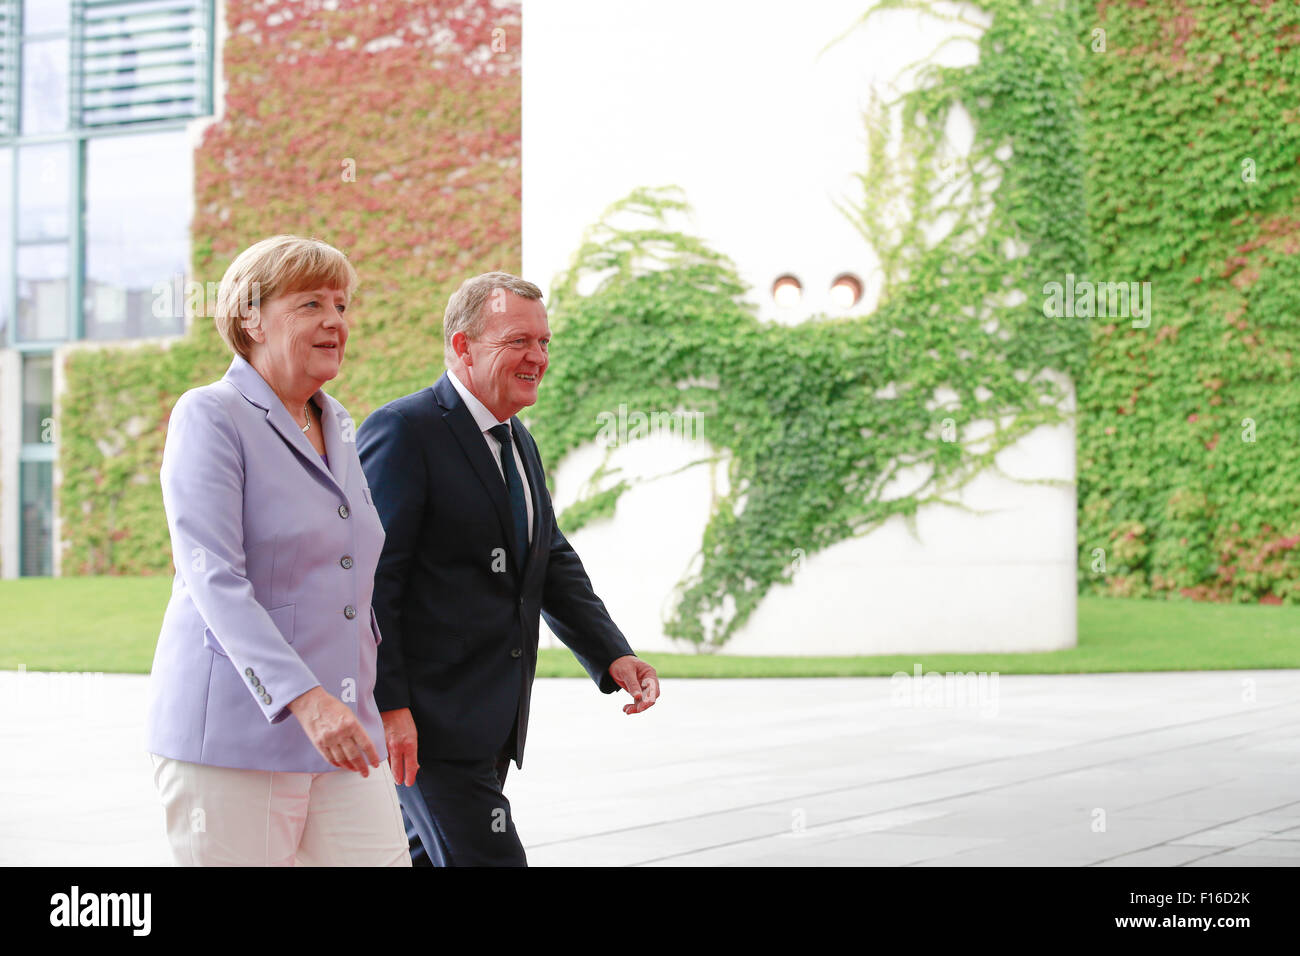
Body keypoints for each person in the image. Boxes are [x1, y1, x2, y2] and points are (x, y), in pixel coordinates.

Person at [357, 271, 660, 866]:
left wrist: (610, 653)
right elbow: (371, 583)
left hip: (492, 722)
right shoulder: (404, 431)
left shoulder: (517, 439)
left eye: (544, 342)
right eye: (519, 341)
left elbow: (548, 557)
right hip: (429, 728)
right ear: (463, 346)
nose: (538, 357)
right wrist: (389, 707)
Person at [145, 235, 410, 866]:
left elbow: (356, 574)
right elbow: (213, 576)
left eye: (342, 305)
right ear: (250, 316)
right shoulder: (210, 414)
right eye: (311, 303)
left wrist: (382, 701)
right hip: (236, 738)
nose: (335, 321)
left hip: (347, 729)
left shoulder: (338, 421)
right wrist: (307, 699)